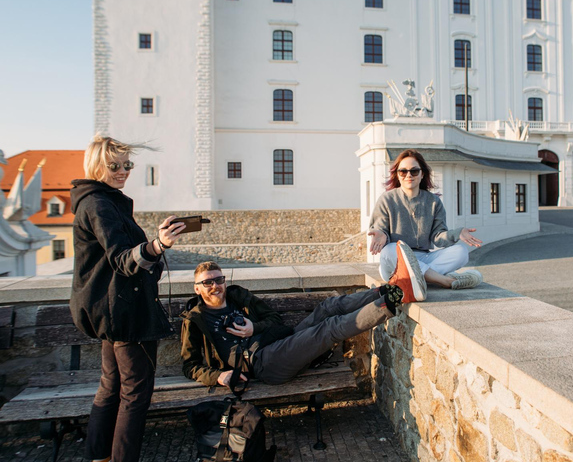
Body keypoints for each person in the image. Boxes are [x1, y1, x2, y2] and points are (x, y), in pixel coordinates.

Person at [70, 136, 187, 462]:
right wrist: (159, 245)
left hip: (112, 307)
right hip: (123, 311)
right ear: (96, 166)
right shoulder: (99, 204)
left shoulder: (100, 200)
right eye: (115, 166)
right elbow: (122, 260)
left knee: (111, 386)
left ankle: (98, 456)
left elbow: (122, 255)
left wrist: (156, 238)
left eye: (127, 165)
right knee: (135, 394)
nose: (123, 171)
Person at [181, 243, 424, 387]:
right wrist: (218, 376)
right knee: (328, 328)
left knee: (328, 307)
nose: (215, 286)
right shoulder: (196, 319)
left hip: (278, 341)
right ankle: (395, 298)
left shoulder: (238, 298)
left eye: (218, 280)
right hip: (264, 364)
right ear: (197, 288)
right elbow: (190, 366)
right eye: (207, 283)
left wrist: (253, 328)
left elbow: (275, 321)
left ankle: (390, 289)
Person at [367, 149, 484, 290]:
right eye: (403, 171)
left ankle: (414, 279)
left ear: (422, 174)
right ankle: (445, 280)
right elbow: (380, 228)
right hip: (396, 261)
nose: (408, 175)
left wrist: (457, 233)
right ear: (397, 175)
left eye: (414, 171)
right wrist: (382, 235)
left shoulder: (433, 202)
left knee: (461, 252)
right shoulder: (387, 199)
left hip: (425, 258)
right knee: (390, 249)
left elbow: (438, 237)